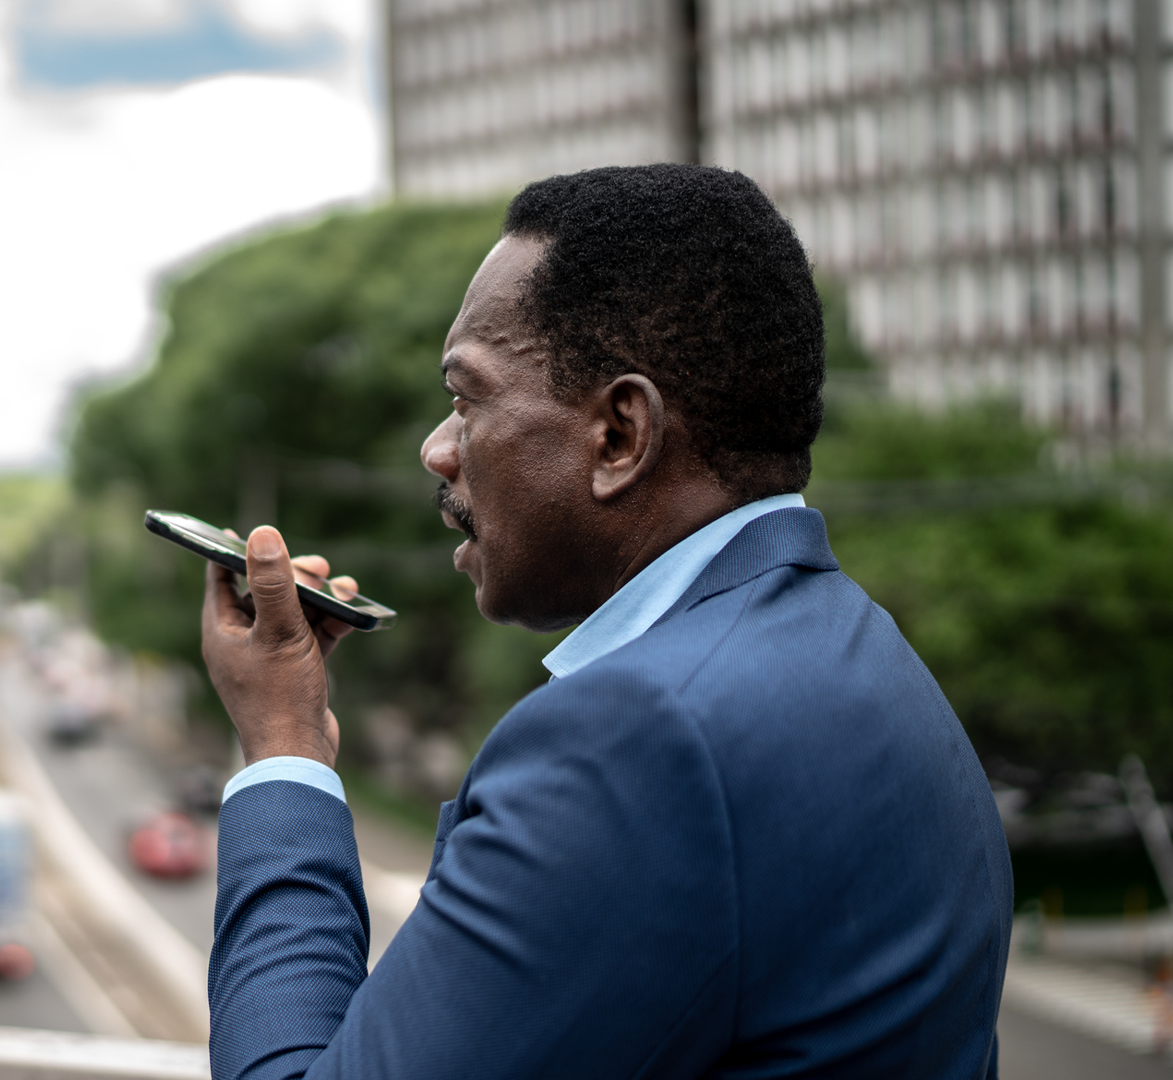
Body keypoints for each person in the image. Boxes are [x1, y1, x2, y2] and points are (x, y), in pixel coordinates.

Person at [198, 165, 1011, 1079]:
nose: (437, 448)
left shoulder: (637, 742)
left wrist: (283, 748)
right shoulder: (873, 658)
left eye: (468, 399)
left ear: (620, 435)